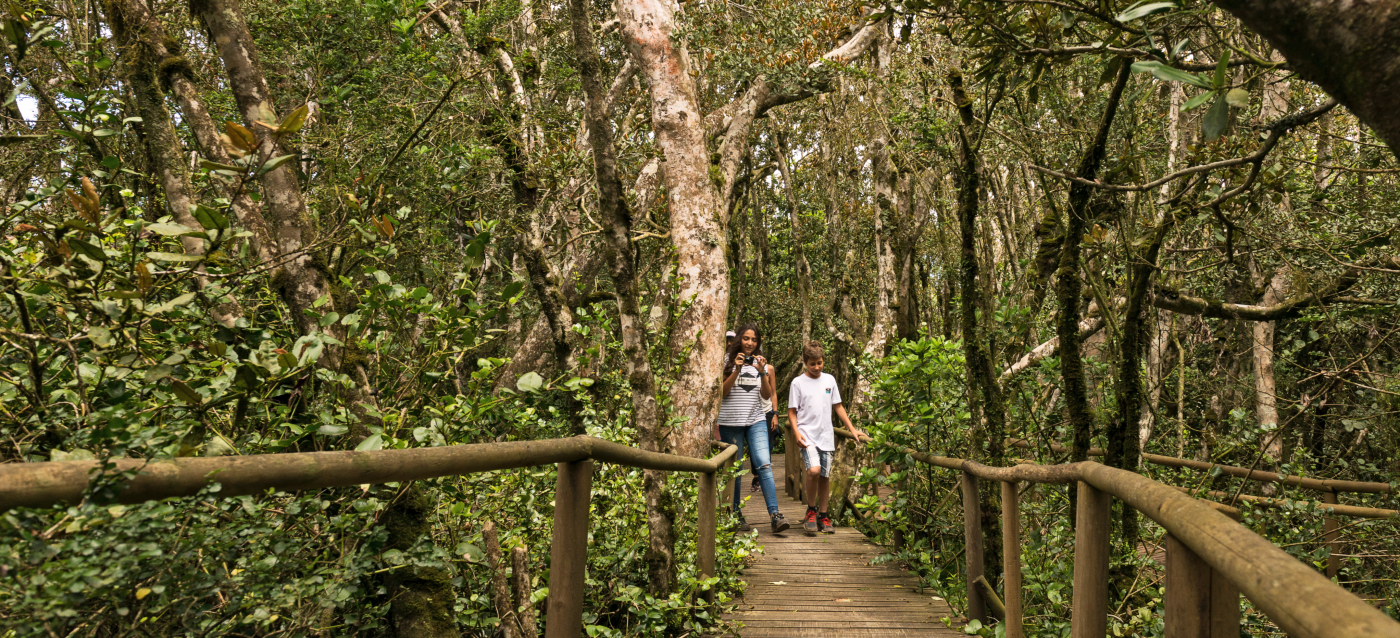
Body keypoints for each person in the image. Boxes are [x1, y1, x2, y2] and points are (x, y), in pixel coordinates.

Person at [715, 323, 790, 533]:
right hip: (731, 421)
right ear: (739, 339)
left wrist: (762, 372)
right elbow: (723, 393)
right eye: (746, 338)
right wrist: (736, 369)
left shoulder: (762, 364)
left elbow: (766, 395)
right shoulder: (725, 361)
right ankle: (735, 514)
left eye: (754, 339)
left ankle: (775, 515)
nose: (750, 343)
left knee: (764, 464)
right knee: (735, 469)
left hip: (756, 419)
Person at [788, 340, 866, 534]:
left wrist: (852, 429)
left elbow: (837, 406)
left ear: (823, 361)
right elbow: (791, 411)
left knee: (824, 475)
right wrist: (796, 433)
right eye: (812, 363)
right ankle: (811, 510)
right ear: (805, 362)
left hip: (826, 436)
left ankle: (823, 515)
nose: (816, 367)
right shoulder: (797, 383)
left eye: (820, 363)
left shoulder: (829, 380)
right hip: (807, 436)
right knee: (813, 471)